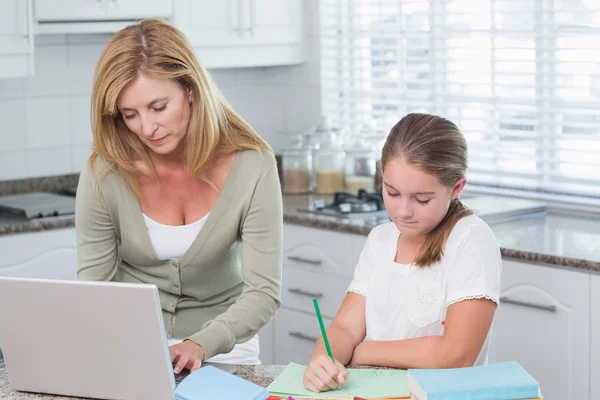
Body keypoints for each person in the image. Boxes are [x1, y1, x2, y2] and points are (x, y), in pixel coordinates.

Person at [75, 19, 282, 374]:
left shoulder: (253, 166)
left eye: (158, 107)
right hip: (133, 347)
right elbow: (95, 289)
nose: (146, 127)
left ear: (190, 88)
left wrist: (200, 344)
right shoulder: (104, 174)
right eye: (130, 115)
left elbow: (263, 292)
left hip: (225, 347)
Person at [303, 113, 502, 393]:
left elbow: (454, 355)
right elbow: (344, 330)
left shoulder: (470, 238)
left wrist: (362, 352)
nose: (403, 211)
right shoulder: (380, 240)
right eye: (392, 192)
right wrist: (324, 360)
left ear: (456, 187)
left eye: (422, 199)